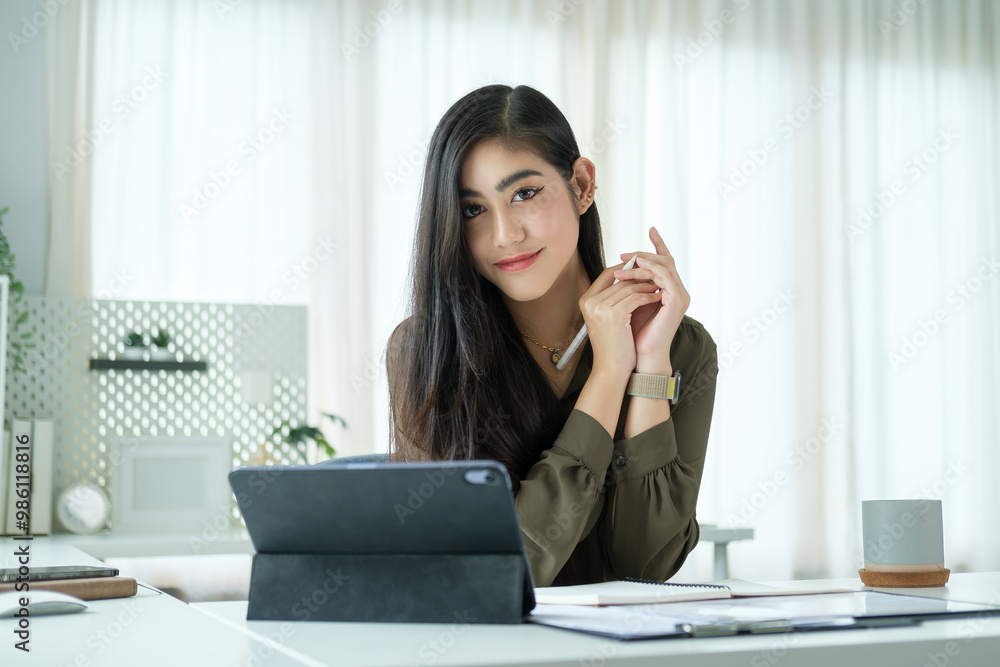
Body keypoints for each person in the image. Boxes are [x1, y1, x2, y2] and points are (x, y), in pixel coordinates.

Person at [386, 84, 718, 587]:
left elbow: (646, 566)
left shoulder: (680, 345)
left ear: (582, 185)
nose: (504, 235)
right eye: (473, 209)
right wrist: (608, 375)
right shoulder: (425, 351)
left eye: (524, 193)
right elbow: (503, 571)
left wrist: (647, 366)